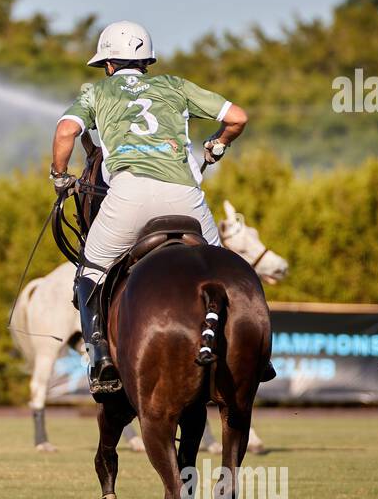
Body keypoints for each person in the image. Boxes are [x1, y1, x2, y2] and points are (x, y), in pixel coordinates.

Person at [50, 20, 250, 395]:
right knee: (229, 274)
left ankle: (100, 358)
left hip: (129, 196)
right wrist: (219, 144)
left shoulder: (97, 92)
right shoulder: (175, 86)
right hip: (186, 197)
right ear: (147, 62)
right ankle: (255, 355)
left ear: (108, 65)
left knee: (89, 272)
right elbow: (237, 117)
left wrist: (59, 176)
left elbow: (65, 132)